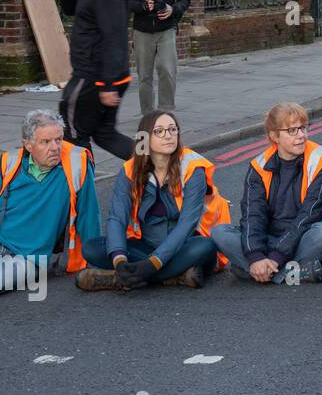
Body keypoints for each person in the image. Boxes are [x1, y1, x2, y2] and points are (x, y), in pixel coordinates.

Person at [0, 111, 97, 297]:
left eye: (58, 139)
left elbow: (89, 215)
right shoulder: (8, 162)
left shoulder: (77, 163)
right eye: (45, 142)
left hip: (28, 257)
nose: (55, 147)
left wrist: (96, 258)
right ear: (28, 144)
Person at [76, 111, 226, 292]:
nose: (168, 136)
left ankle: (119, 279)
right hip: (146, 246)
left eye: (172, 130)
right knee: (92, 248)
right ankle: (172, 276)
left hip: (186, 244)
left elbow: (187, 224)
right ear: (145, 138)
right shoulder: (131, 170)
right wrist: (120, 260)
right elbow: (117, 217)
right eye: (159, 131)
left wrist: (151, 264)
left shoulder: (193, 168)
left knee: (206, 246)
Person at [212, 102, 322, 284]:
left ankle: (261, 272)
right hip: (272, 240)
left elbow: (307, 218)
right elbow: (253, 216)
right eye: (292, 130)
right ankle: (293, 273)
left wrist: (275, 257)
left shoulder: (321, 163)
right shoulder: (259, 166)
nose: (301, 135)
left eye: (303, 128)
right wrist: (255, 255)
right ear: (274, 136)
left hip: (308, 238)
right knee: (219, 232)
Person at [58, 0, 135, 161]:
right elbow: (73, 11)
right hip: (103, 75)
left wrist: (107, 84)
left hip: (92, 76)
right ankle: (158, 166)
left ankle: (81, 192)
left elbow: (114, 38)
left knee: (72, 133)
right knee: (105, 134)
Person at [129, 0, 189, 115]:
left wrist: (173, 9)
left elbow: (185, 0)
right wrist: (142, 6)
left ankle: (166, 111)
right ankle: (148, 114)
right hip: (143, 30)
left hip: (166, 29)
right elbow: (126, 1)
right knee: (145, 75)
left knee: (167, 69)